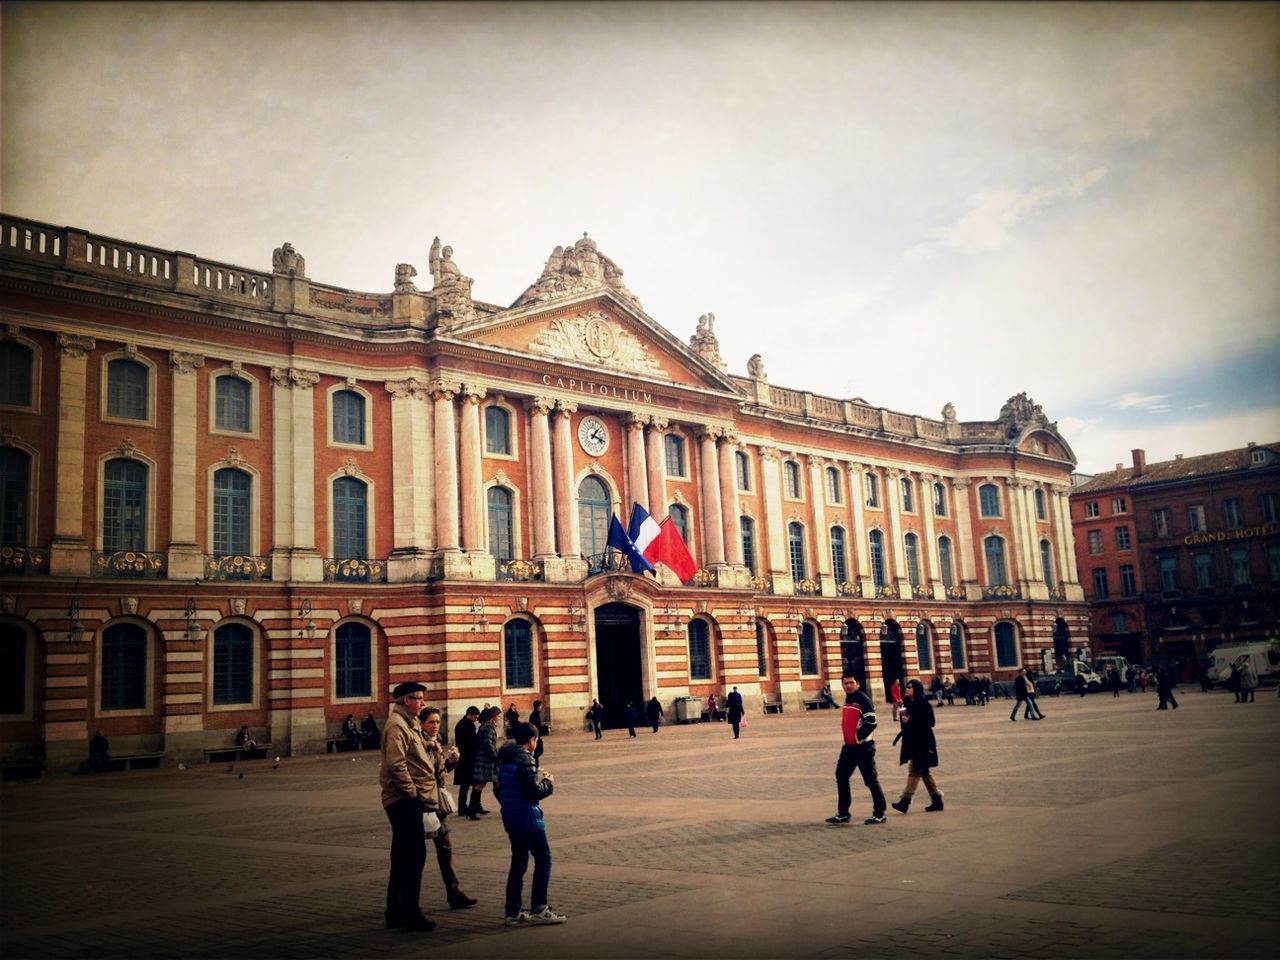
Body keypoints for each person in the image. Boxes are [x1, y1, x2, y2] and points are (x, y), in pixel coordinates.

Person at [378, 681, 438, 932]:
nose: (422, 702)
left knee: (403, 856)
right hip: (403, 800)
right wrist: (412, 794)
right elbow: (396, 764)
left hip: (407, 798)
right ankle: (410, 912)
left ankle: (396, 912)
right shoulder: (397, 726)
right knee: (414, 856)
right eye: (418, 698)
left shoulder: (407, 723)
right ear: (405, 700)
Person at [498, 721, 566, 926]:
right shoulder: (524, 758)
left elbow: (500, 789)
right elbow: (533, 791)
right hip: (527, 817)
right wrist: (549, 783)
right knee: (544, 858)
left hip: (511, 815)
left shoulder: (505, 757)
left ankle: (512, 911)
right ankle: (539, 907)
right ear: (532, 740)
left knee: (518, 862)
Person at [417, 706, 477, 911]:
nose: (435, 726)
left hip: (437, 806)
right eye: (431, 722)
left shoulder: (435, 742)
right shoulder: (419, 744)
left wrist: (451, 762)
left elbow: (439, 772)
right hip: (424, 805)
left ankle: (454, 893)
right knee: (416, 855)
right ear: (422, 724)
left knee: (445, 850)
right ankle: (403, 902)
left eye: (437, 722)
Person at [826, 673, 886, 825]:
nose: (848, 685)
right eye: (845, 683)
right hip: (849, 747)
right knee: (841, 776)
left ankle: (880, 813)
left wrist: (858, 737)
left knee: (870, 780)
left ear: (857, 684)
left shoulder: (863, 700)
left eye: (851, 682)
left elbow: (871, 722)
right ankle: (843, 812)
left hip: (863, 747)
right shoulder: (848, 700)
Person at [890, 679, 943, 814]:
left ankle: (905, 801)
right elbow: (905, 726)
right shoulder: (905, 705)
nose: (907, 689)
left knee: (914, 770)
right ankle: (936, 799)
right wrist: (905, 720)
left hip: (923, 743)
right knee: (924, 772)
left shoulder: (925, 705)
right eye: (906, 687)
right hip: (912, 743)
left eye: (910, 688)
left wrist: (911, 720)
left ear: (917, 690)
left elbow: (930, 723)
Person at [468, 707, 500, 819]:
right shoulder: (487, 727)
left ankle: (506, 806)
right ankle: (471, 810)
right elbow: (488, 744)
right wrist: (495, 756)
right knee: (481, 784)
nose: (499, 718)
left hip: (487, 759)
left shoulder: (488, 726)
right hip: (486, 759)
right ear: (493, 716)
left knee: (496, 781)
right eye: (498, 715)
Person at [452, 706, 480, 815]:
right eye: (474, 717)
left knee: (465, 785)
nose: (475, 719)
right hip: (468, 758)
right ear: (469, 714)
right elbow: (470, 742)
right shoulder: (468, 725)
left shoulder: (461, 724)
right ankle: (469, 807)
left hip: (463, 758)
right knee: (468, 784)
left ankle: (463, 807)